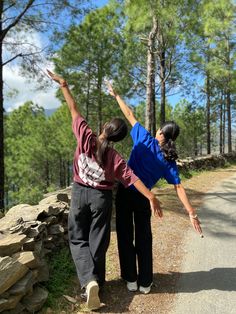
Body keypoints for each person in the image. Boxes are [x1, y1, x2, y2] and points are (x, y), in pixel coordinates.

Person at [47, 70, 162, 310]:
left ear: (103, 127)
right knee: (98, 242)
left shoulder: (85, 138)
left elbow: (73, 110)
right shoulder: (115, 158)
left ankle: (89, 282)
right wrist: (150, 195)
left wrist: (64, 85)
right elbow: (131, 178)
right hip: (102, 198)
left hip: (79, 193)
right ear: (119, 139)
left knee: (78, 239)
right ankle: (97, 283)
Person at [107, 82, 203, 295]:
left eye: (159, 129)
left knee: (124, 234)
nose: (157, 130)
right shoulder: (168, 161)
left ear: (161, 133)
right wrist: (191, 212)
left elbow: (129, 113)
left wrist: (116, 94)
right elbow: (178, 187)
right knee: (144, 237)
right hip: (145, 197)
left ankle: (130, 279)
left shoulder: (144, 139)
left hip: (125, 192)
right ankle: (145, 282)